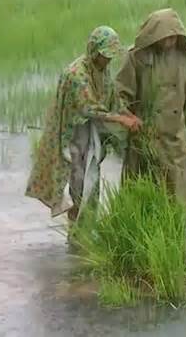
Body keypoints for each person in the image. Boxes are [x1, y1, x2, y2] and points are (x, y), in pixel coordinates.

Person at [26, 25, 142, 225]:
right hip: (72, 133)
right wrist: (122, 120)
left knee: (92, 176)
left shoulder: (102, 70)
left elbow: (112, 98)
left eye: (110, 56)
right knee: (78, 178)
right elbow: (88, 108)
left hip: (90, 131)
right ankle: (77, 229)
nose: (108, 60)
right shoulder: (77, 74)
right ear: (94, 51)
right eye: (105, 55)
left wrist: (129, 115)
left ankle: (86, 227)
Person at [116, 8, 186, 205]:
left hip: (173, 136)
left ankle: (175, 230)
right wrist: (129, 121)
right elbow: (120, 96)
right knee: (140, 193)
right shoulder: (136, 58)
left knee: (176, 194)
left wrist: (180, 128)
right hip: (144, 134)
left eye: (173, 37)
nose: (169, 41)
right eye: (164, 37)